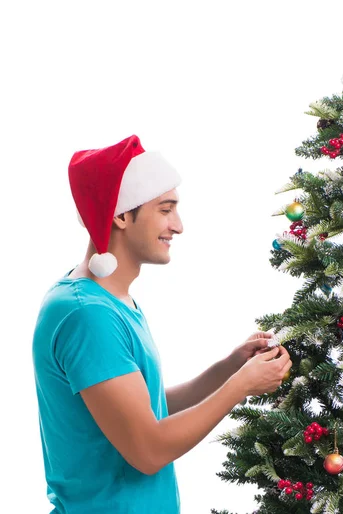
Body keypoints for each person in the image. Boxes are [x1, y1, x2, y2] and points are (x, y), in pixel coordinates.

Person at [31, 135, 292, 514]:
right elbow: (148, 450)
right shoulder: (87, 315)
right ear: (121, 215)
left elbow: (144, 411)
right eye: (165, 209)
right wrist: (241, 386)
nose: (179, 226)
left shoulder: (111, 300)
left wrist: (227, 369)